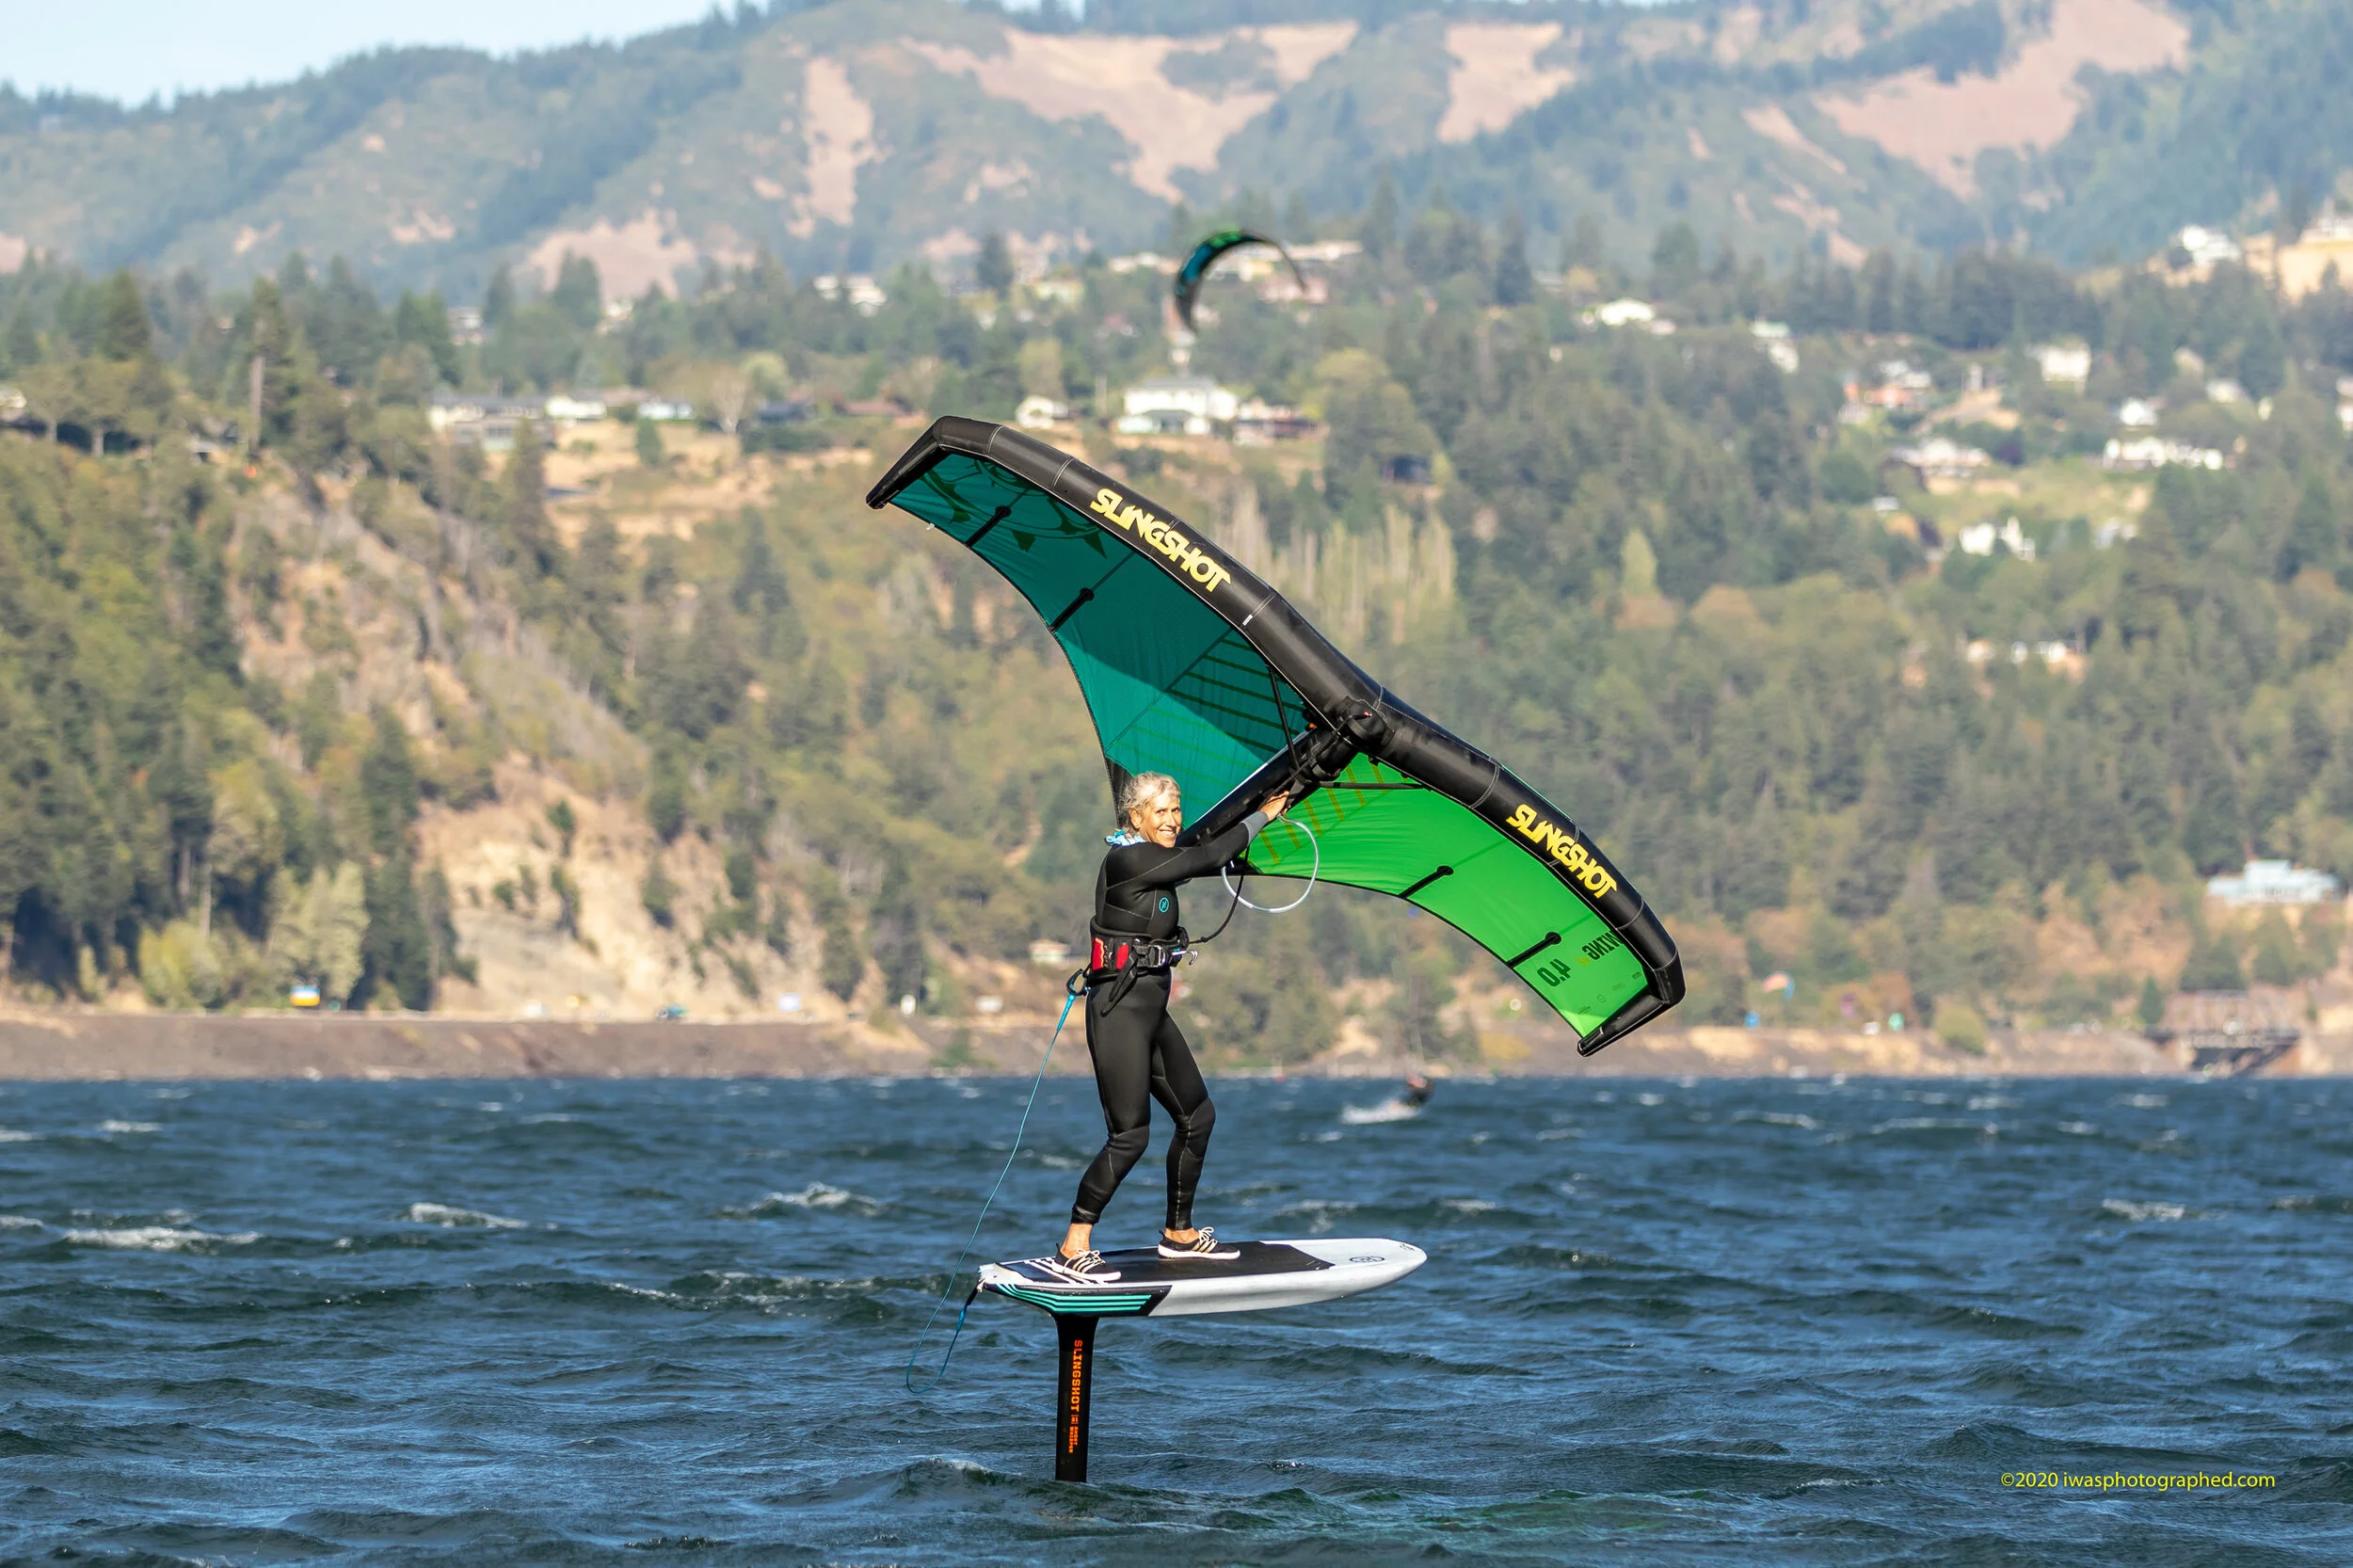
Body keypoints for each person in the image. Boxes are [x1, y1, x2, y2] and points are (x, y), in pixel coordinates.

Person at [1045, 771, 1289, 1283]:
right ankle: (1074, 1244)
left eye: (1177, 809)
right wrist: (1265, 813)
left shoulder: (1157, 860)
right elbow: (1206, 857)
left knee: (1198, 1116)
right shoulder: (1126, 859)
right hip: (1118, 1011)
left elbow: (1199, 850)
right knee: (1129, 1136)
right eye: (1161, 811)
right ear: (1135, 818)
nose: (1173, 820)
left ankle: (1179, 1234)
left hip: (1151, 1012)